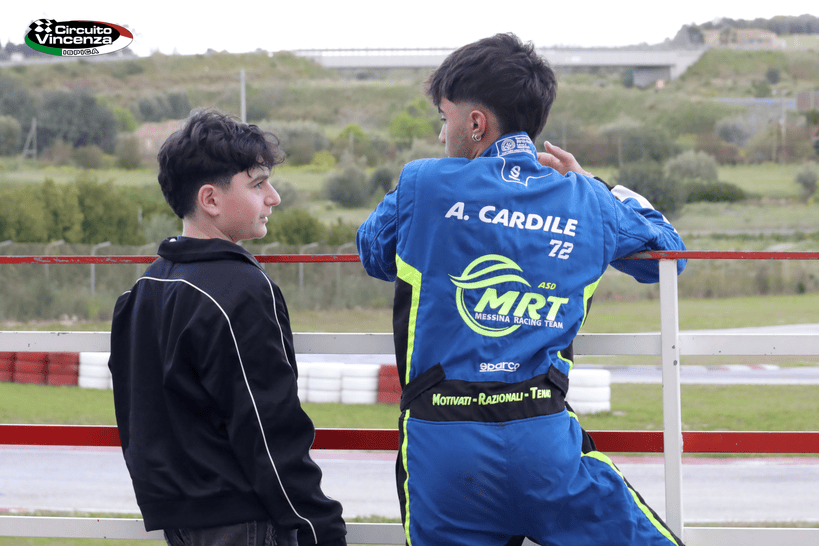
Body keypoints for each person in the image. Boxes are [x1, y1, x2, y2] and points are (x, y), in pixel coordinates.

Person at [356, 33, 686, 546]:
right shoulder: (588, 199)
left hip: (441, 442)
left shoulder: (423, 182)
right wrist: (595, 185)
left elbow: (373, 254)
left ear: (475, 123)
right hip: (544, 440)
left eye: (444, 118)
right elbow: (670, 255)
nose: (441, 135)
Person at [108, 109, 347, 546]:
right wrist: (319, 525)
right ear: (211, 200)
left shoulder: (142, 289)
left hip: (177, 520)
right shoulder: (241, 290)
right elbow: (267, 426)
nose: (274, 197)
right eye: (258, 184)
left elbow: (134, 419)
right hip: (243, 519)